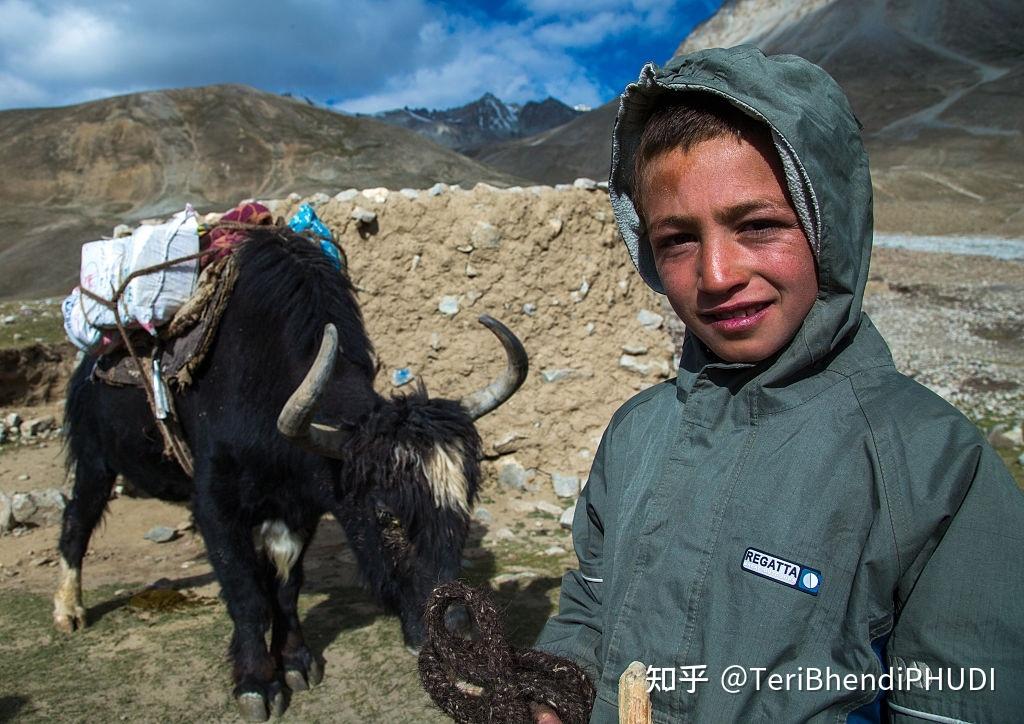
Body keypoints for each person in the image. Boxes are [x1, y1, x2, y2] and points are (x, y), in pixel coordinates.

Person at [532, 46, 1024, 723]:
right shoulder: (636, 432)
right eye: (676, 239)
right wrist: (554, 696)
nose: (716, 274)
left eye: (758, 226)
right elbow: (587, 612)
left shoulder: (933, 468)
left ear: (832, 225)